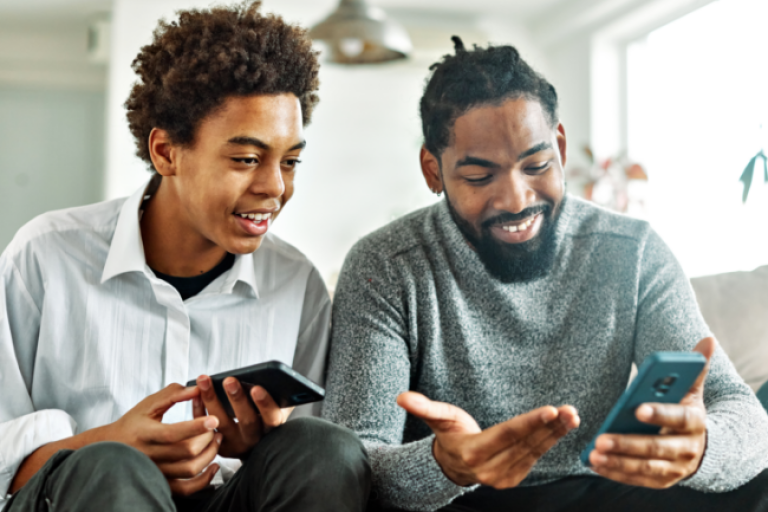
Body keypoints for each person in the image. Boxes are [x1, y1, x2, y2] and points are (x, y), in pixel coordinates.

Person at [323, 36, 768, 512]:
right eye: (479, 176)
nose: (516, 200)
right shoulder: (385, 266)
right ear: (433, 171)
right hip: (460, 499)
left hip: (600, 490)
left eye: (535, 165)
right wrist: (446, 465)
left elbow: (742, 415)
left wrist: (700, 450)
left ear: (558, 144)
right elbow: (354, 461)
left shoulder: (632, 250)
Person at [0, 3, 370, 511]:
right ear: (166, 151)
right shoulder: (46, 255)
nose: (274, 187)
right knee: (113, 468)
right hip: (87, 496)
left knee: (324, 448)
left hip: (221, 501)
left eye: (290, 161)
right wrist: (111, 441)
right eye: (246, 159)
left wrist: (255, 447)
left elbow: (306, 470)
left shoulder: (295, 283)